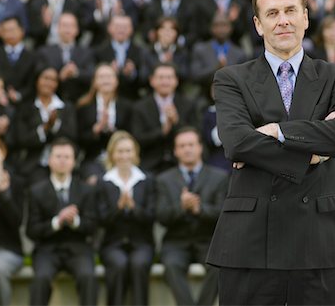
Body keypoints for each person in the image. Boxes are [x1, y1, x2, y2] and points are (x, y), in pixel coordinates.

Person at [206, 0, 335, 305]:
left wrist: (277, 131)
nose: (283, 20)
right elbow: (237, 143)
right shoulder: (231, 78)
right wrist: (313, 154)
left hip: (318, 240)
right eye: (273, 13)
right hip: (251, 241)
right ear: (258, 24)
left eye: (291, 10)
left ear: (306, 17)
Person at [156, 127, 228, 306]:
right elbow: (161, 216)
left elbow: (223, 213)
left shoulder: (219, 177)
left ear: (200, 147)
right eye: (182, 146)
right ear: (175, 151)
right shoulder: (164, 179)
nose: (187, 149)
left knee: (219, 266)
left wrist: (199, 209)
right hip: (176, 242)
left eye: (191, 144)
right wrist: (181, 207)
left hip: (207, 240)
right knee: (171, 266)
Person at [26, 137, 97, 306]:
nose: (62, 161)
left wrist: (75, 221)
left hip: (78, 248)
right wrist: (57, 222)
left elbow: (93, 226)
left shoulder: (86, 190)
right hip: (47, 250)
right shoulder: (36, 191)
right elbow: (31, 230)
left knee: (88, 277)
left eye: (67, 157)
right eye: (58, 156)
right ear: (49, 160)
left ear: (74, 161)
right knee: (41, 279)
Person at [97, 130, 155, 306]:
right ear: (112, 155)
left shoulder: (147, 180)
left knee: (138, 265)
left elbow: (152, 216)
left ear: (135, 153)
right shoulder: (104, 182)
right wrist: (119, 208)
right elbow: (101, 220)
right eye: (120, 151)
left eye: (128, 151)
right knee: (118, 264)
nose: (124, 155)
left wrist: (133, 208)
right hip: (112, 244)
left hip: (142, 243)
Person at [15, 65, 77, 184]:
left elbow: (72, 136)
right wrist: (45, 128)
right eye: (45, 78)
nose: (49, 83)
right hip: (34, 164)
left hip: (63, 163)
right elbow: (21, 138)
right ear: (37, 80)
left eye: (53, 80)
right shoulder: (25, 107)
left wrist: (55, 125)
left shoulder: (66, 107)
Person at [132, 63, 198, 174]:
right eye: (161, 78)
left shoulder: (188, 104)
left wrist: (176, 121)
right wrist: (162, 131)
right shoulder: (140, 107)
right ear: (152, 80)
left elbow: (196, 133)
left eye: (169, 77)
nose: (165, 82)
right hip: (149, 164)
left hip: (180, 163)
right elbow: (137, 138)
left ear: (176, 81)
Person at [77, 64, 134, 184]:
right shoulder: (84, 107)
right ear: (95, 82)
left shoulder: (127, 106)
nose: (106, 80)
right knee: (93, 181)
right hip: (93, 158)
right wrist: (96, 130)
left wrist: (113, 131)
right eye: (101, 77)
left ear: (116, 81)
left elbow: (132, 135)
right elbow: (78, 139)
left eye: (109, 76)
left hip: (121, 158)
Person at [0, 134, 24, 306]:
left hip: (9, 249)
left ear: (2, 152)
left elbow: (17, 221)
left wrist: (6, 196)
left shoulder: (17, 183)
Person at [36, 12, 95, 103]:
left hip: (80, 101)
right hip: (52, 100)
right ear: (57, 29)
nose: (68, 29)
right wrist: (59, 76)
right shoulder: (45, 52)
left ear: (77, 30)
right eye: (64, 25)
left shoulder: (87, 52)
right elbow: (39, 76)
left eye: (71, 26)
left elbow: (92, 75)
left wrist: (76, 73)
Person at [0, 16, 36, 104]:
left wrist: (19, 95)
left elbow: (33, 83)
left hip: (25, 104)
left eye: (12, 30)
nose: (9, 34)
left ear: (22, 30)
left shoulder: (32, 56)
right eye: (5, 30)